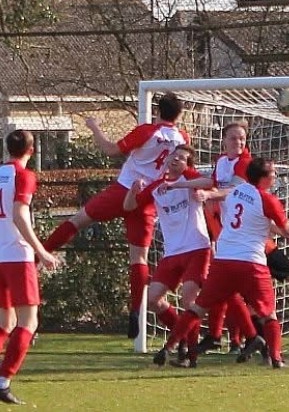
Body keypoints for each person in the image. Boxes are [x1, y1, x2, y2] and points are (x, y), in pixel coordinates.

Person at [174, 122, 289, 355]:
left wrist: (210, 194)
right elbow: (216, 186)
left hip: (255, 242)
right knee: (250, 299)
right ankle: (251, 343)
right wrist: (182, 184)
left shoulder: (246, 163)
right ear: (224, 140)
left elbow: (235, 193)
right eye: (234, 138)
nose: (239, 142)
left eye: (242, 138)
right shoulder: (222, 163)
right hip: (242, 244)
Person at [42, 93, 189, 339]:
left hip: (124, 190)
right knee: (139, 257)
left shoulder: (147, 131)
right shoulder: (183, 138)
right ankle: (136, 310)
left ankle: (40, 254)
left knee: (77, 220)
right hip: (147, 198)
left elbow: (111, 150)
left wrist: (94, 127)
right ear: (179, 114)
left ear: (158, 111)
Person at [153, 157, 289, 369]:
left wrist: (208, 193)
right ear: (264, 178)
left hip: (224, 260)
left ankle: (169, 346)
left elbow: (250, 215)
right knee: (268, 314)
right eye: (273, 173)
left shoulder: (236, 192)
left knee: (199, 308)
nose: (275, 176)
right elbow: (285, 228)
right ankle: (275, 357)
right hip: (251, 262)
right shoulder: (268, 200)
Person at [123, 145, 215, 367]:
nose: (176, 160)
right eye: (174, 156)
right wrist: (133, 190)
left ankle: (190, 356)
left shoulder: (188, 178)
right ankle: (181, 334)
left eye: (183, 159)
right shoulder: (157, 186)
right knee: (153, 299)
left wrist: (180, 184)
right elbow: (129, 206)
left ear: (187, 165)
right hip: (172, 252)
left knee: (188, 301)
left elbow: (209, 182)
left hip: (196, 248)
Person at [0, 130, 60, 404]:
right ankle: (3, 380)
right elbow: (20, 215)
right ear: (32, 151)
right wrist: (42, 251)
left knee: (6, 322)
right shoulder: (24, 175)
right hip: (16, 256)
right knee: (28, 321)